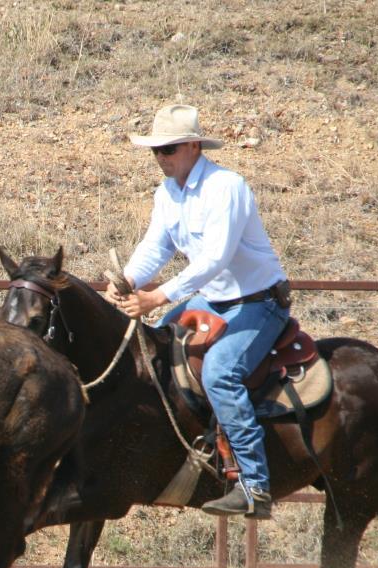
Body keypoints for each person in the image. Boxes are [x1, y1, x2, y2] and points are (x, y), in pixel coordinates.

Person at [106, 104, 290, 519]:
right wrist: (129, 278)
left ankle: (254, 485)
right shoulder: (167, 193)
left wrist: (158, 296)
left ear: (193, 146)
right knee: (153, 350)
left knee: (220, 373)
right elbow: (157, 246)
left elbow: (215, 258)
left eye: (168, 149)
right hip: (212, 299)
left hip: (257, 302)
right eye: (155, 150)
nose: (160, 157)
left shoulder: (227, 187)